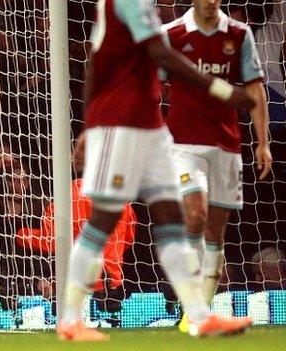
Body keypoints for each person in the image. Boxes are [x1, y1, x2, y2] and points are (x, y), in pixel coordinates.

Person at [59, 0, 256, 342]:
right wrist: (223, 90)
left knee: (171, 215)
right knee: (105, 217)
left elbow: (98, 59)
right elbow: (159, 55)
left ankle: (198, 315)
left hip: (151, 125)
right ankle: (71, 318)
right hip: (119, 124)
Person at [160, 1, 272, 333]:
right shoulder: (172, 35)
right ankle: (193, 308)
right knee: (195, 215)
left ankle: (199, 313)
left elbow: (254, 87)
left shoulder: (239, 34)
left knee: (215, 231)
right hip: (184, 144)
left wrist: (262, 140)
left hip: (226, 145)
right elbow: (151, 86)